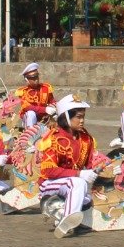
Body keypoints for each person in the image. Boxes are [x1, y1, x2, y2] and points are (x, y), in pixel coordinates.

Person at [37, 95, 98, 238]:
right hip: (49, 184)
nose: (82, 120)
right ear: (66, 117)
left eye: (83, 116)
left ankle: (65, 214)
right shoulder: (54, 138)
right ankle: (68, 220)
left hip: (73, 184)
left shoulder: (86, 138)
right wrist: (79, 174)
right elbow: (49, 170)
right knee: (77, 182)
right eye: (78, 117)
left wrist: (106, 169)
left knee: (88, 197)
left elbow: (90, 165)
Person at [14, 63, 55, 132]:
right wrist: (45, 109)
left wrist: (53, 107)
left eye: (36, 77)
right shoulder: (23, 92)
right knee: (31, 113)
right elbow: (27, 107)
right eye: (32, 78)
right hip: (28, 119)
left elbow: (52, 101)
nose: (36, 79)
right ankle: (29, 137)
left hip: (44, 118)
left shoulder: (46, 88)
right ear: (26, 79)